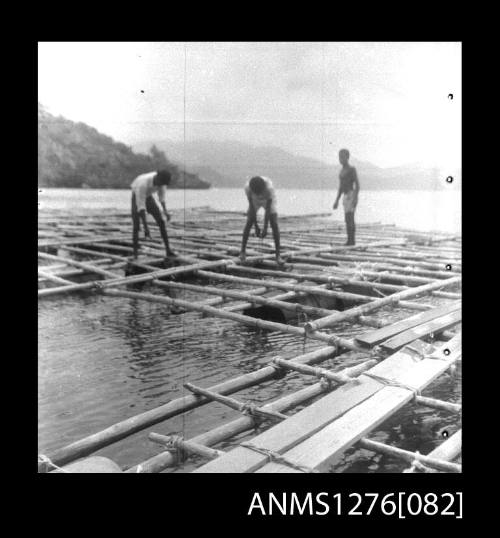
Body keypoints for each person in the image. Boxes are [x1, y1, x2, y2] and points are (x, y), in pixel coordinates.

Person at [131, 169, 176, 259]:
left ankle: (168, 250)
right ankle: (135, 254)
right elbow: (141, 206)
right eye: (160, 182)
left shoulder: (162, 183)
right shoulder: (143, 184)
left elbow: (161, 198)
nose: (161, 185)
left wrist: (165, 211)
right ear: (157, 177)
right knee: (136, 226)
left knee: (161, 222)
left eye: (163, 184)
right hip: (136, 195)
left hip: (149, 197)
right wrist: (145, 227)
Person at [239, 176, 284, 265]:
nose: (259, 195)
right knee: (249, 222)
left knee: (274, 223)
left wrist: (265, 228)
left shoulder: (269, 189)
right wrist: (256, 226)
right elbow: (252, 208)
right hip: (254, 201)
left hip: (267, 200)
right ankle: (242, 251)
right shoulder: (248, 188)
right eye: (257, 193)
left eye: (260, 192)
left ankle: (278, 255)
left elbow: (268, 209)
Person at [332, 149, 360, 245]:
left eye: (343, 157)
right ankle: (349, 239)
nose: (341, 159)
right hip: (345, 196)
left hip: (351, 194)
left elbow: (357, 184)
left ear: (347, 157)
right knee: (347, 218)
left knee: (350, 218)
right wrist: (336, 200)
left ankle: (352, 240)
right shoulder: (341, 171)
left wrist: (355, 197)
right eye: (340, 157)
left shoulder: (352, 169)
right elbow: (341, 187)